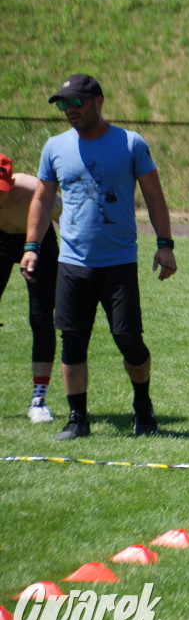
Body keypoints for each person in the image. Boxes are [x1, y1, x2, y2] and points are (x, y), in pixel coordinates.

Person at [20, 73, 177, 441]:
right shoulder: (54, 147)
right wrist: (31, 246)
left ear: (98, 102)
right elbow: (42, 199)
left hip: (119, 262)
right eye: (63, 104)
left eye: (76, 103)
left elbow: (154, 195)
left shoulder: (130, 144)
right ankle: (78, 419)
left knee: (128, 339)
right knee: (72, 341)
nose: (68, 111)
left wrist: (164, 243)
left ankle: (143, 406)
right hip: (73, 264)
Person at [0, 153, 59, 423]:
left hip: (38, 240)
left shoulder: (32, 189)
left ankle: (39, 398)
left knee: (40, 316)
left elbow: (69, 215)